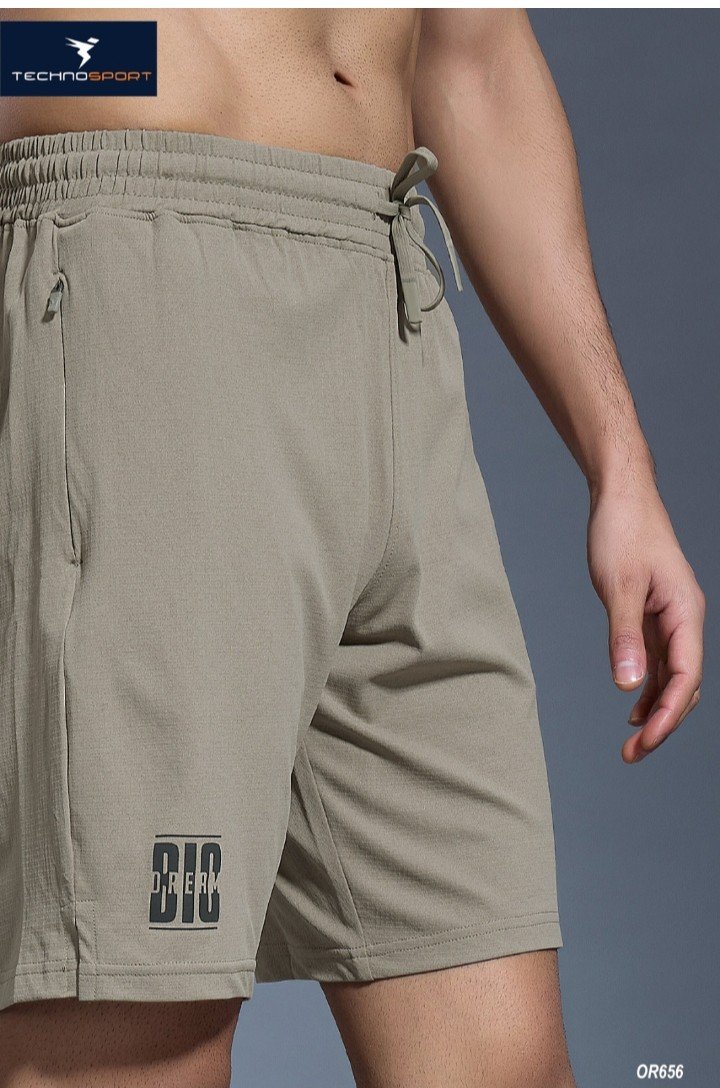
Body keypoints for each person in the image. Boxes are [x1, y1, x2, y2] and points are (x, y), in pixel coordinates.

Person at [0, 9, 704, 1088]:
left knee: (503, 1059)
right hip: (148, 282)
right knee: (139, 1033)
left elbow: (474, 60)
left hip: (389, 301)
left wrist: (620, 464)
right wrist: (119, 59)